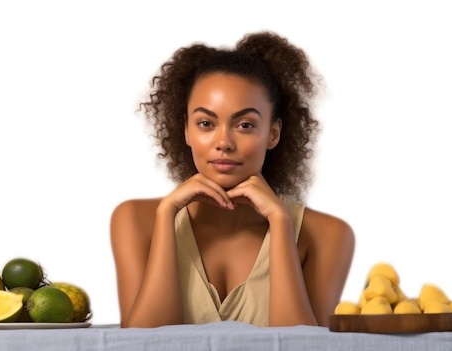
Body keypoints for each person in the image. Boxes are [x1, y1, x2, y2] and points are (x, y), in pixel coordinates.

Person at [110, 31, 355, 328]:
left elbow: (303, 346)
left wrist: (280, 222)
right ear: (186, 130)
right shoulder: (135, 220)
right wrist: (166, 217)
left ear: (273, 134)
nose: (224, 142)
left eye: (245, 124)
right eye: (205, 123)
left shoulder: (328, 235)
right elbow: (143, 344)